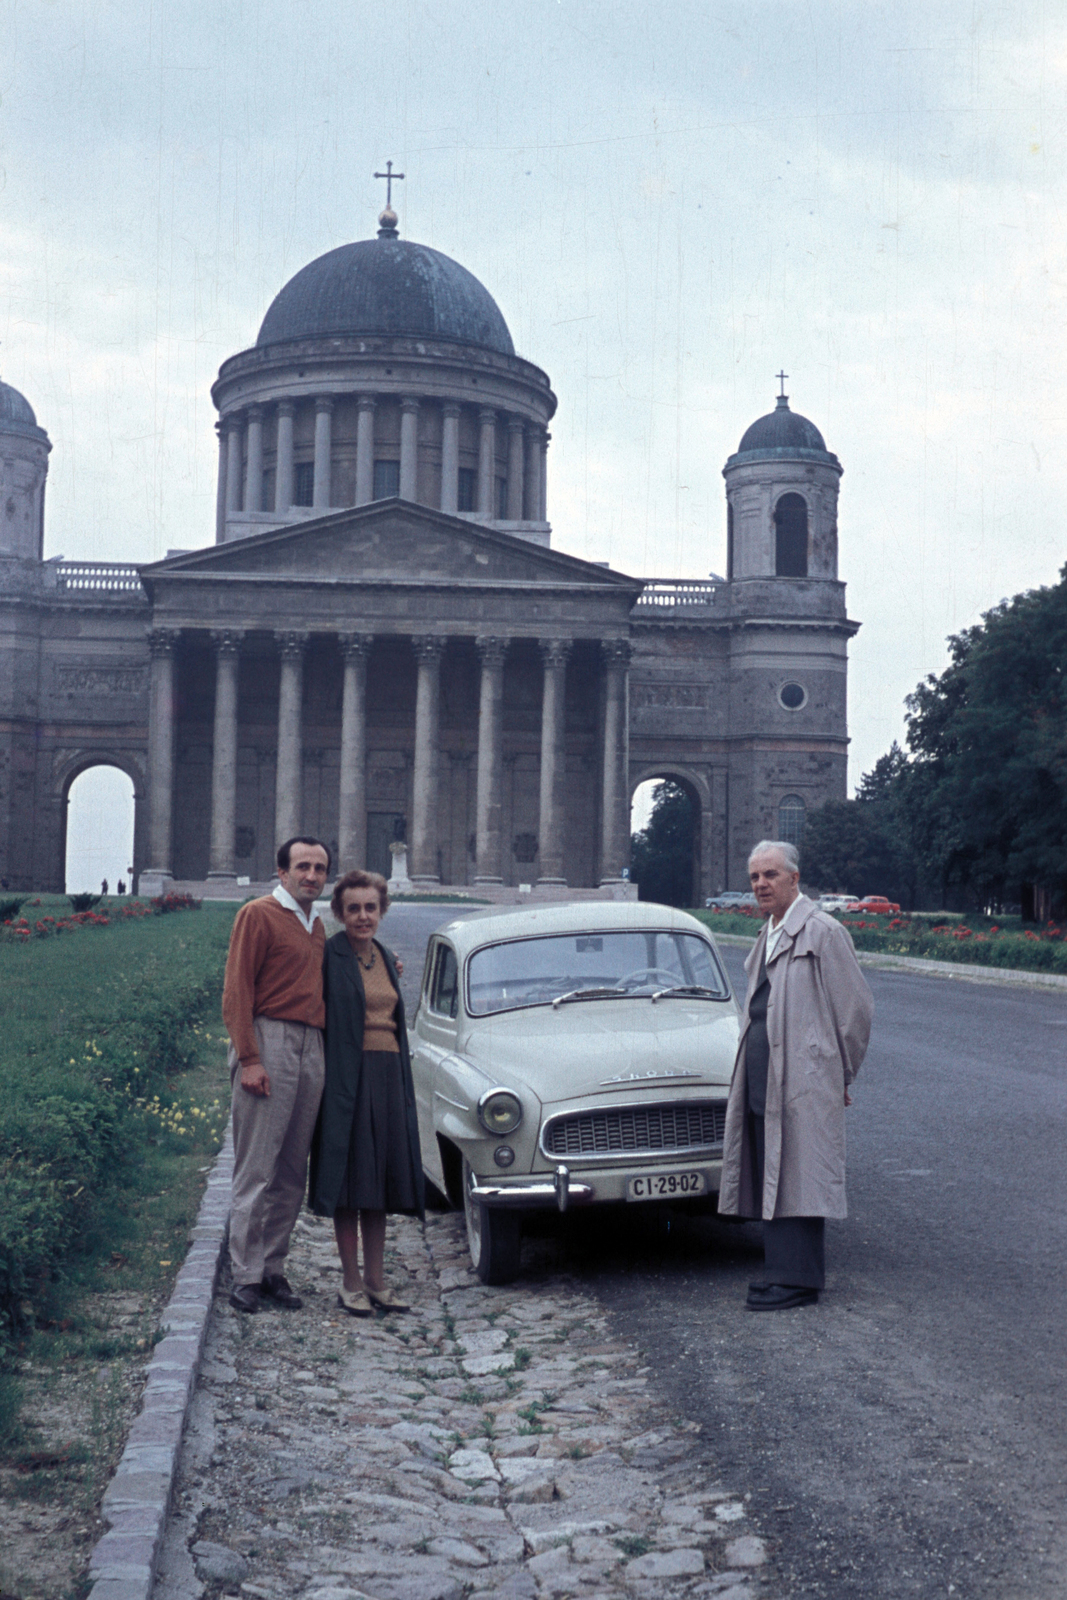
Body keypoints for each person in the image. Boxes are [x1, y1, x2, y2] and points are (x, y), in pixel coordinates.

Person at [718, 840, 874, 1311]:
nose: (761, 884)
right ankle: (781, 1273)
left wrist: (839, 1074)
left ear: (794, 879)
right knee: (774, 1170)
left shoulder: (823, 932)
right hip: (765, 1075)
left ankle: (799, 1281)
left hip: (804, 1076)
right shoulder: (768, 932)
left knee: (802, 1172)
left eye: (770, 875)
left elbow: (856, 1011)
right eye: (754, 877)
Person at [221, 836, 330, 1314]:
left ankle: (272, 1268)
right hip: (269, 1040)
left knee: (291, 1170)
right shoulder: (257, 914)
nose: (312, 875)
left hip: (311, 1046)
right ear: (282, 871)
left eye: (320, 868)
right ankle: (243, 1275)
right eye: (302, 866)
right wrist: (249, 1058)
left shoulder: (316, 925)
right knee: (256, 1167)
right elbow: (237, 989)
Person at [309, 869, 423, 1316]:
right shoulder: (329, 954)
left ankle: (377, 1280)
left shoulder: (382, 954)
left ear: (382, 911)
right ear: (338, 912)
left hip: (388, 1073)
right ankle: (350, 1280)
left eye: (370, 908)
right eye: (352, 908)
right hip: (348, 1076)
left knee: (379, 1179)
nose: (362, 916)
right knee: (351, 1182)